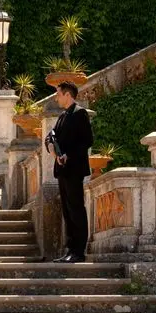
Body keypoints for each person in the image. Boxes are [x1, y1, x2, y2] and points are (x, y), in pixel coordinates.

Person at [44, 81, 94, 264]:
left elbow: (87, 141)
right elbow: (50, 136)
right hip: (63, 170)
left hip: (74, 169)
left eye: (58, 94)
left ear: (67, 94)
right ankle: (70, 250)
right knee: (67, 210)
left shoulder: (80, 113)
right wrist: (52, 149)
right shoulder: (63, 116)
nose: (56, 98)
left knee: (76, 209)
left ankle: (78, 251)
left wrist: (68, 155)